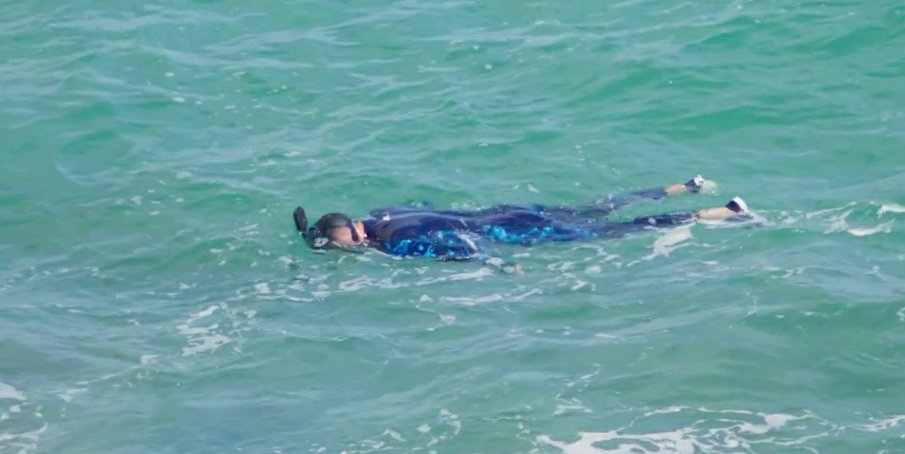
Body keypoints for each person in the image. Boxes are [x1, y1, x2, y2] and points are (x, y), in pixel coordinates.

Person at [293, 176, 753, 260]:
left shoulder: (397, 241)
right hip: (505, 211)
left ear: (351, 233)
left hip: (513, 229)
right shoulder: (384, 215)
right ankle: (686, 184)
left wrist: (495, 265)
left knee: (609, 231)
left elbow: (457, 251)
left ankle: (725, 212)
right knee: (600, 206)